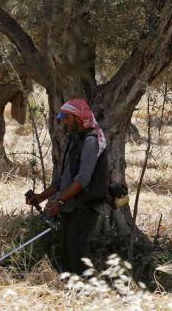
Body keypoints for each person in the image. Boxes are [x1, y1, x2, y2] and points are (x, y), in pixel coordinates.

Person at [25, 99, 109, 275]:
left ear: (80, 118)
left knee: (75, 253)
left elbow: (82, 181)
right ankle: (73, 293)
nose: (64, 121)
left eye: (67, 117)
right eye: (61, 117)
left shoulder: (90, 141)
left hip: (85, 205)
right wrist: (41, 196)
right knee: (65, 250)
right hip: (70, 205)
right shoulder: (74, 140)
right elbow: (63, 179)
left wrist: (59, 202)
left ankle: (90, 293)